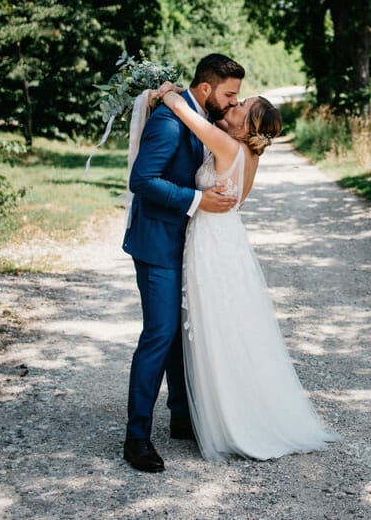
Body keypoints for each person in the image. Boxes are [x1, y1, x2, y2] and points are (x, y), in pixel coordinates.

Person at [154, 80, 339, 461]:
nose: (233, 106)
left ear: (246, 128)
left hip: (212, 247)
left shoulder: (227, 145)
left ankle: (226, 418)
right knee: (229, 328)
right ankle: (218, 410)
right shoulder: (249, 157)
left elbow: (183, 112)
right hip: (227, 243)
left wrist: (165, 91)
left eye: (241, 108)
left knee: (212, 330)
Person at [121, 54, 244, 473]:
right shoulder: (170, 120)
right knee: (159, 334)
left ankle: (179, 417)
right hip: (157, 243)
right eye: (229, 95)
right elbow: (142, 180)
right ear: (206, 89)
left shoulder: (195, 118)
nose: (232, 104)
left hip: (186, 246)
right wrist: (196, 200)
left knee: (178, 335)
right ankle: (136, 436)